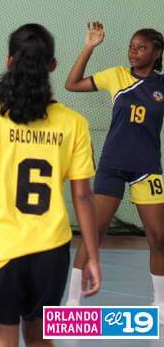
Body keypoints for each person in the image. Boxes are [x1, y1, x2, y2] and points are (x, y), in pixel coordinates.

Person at [0, 23, 101, 347]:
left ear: (9, 61)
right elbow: (83, 197)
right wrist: (93, 257)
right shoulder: (74, 123)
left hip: (1, 248)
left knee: (2, 336)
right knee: (41, 337)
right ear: (53, 65)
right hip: (51, 250)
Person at [63, 23, 164, 317]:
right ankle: (73, 304)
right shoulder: (116, 76)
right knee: (94, 232)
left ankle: (159, 305)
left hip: (148, 168)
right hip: (113, 166)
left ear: (157, 53)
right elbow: (72, 83)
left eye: (141, 47)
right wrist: (90, 46)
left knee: (158, 237)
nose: (134, 51)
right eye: (132, 46)